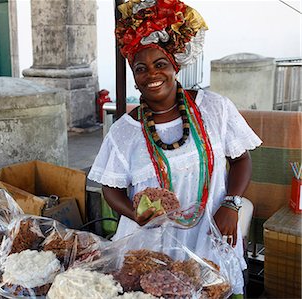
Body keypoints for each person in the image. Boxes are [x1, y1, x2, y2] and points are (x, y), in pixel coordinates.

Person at [88, 0, 262, 295]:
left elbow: (241, 159)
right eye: (140, 68)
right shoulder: (124, 132)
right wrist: (135, 213)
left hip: (209, 233)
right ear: (134, 76)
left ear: (175, 66)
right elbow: (110, 189)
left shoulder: (214, 109)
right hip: (151, 244)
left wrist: (231, 204)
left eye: (160, 65)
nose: (152, 75)